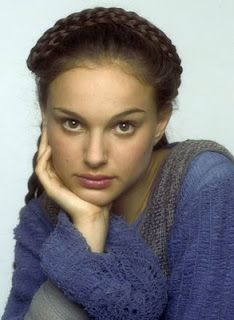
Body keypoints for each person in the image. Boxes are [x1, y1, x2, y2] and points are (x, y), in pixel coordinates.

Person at [2, 6, 234, 320]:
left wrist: (82, 260)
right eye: (73, 123)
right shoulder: (42, 215)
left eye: (123, 126)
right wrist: (88, 224)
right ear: (45, 117)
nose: (95, 156)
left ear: (159, 122)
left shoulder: (206, 185)